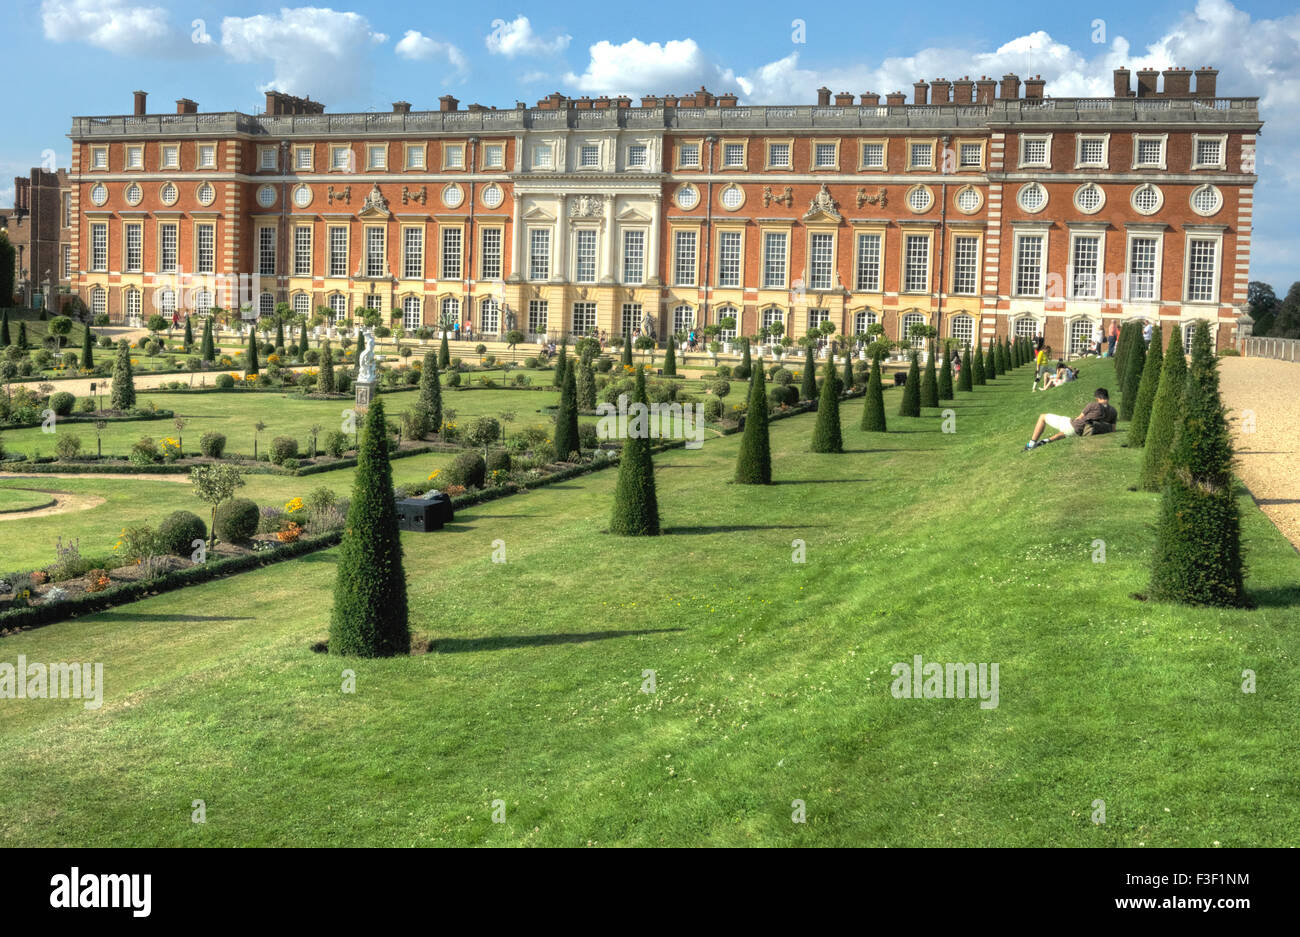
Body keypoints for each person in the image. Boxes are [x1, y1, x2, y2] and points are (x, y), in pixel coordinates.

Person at [1023, 388, 1117, 449]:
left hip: (1075, 426)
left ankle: (1031, 443)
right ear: (1108, 397)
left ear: (1097, 398)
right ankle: (1045, 441)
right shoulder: (1113, 411)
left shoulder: (1093, 405)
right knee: (1066, 432)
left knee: (1042, 417)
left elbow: (1079, 418)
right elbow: (1113, 429)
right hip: (1080, 433)